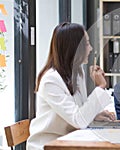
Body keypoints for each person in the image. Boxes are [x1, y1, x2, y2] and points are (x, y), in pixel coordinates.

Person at [27, 22, 115, 150]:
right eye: (86, 44)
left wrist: (94, 115)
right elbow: (78, 121)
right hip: (49, 144)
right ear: (74, 48)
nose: (90, 49)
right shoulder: (50, 80)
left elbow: (78, 111)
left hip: (70, 140)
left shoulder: (78, 73)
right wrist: (100, 86)